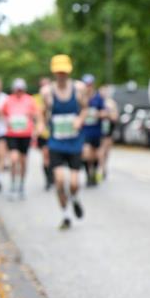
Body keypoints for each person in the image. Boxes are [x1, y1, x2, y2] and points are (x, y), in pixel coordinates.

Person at [40, 55, 88, 230]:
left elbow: (85, 108)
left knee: (74, 183)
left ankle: (74, 199)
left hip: (74, 141)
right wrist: (40, 125)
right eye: (59, 72)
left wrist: (80, 120)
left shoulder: (79, 89)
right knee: (59, 181)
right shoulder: (46, 92)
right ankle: (65, 215)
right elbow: (41, 112)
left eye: (64, 72)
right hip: (56, 143)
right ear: (54, 72)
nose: (62, 75)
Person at [2, 78, 40, 200]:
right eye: (17, 89)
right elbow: (2, 114)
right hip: (12, 134)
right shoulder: (8, 100)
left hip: (25, 134)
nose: (19, 92)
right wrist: (6, 121)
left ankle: (21, 186)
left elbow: (37, 115)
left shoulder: (30, 100)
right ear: (14, 89)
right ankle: (13, 186)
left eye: (21, 89)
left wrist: (35, 126)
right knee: (13, 159)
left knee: (23, 161)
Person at [80, 74, 105, 186]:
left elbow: (105, 112)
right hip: (85, 131)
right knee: (86, 153)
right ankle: (88, 174)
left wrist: (97, 114)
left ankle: (93, 172)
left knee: (95, 155)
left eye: (90, 84)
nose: (88, 87)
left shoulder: (98, 98)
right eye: (86, 84)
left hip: (96, 131)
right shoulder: (80, 98)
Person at [32, 77, 53, 190]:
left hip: (56, 132)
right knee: (45, 155)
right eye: (43, 85)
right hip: (43, 132)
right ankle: (48, 179)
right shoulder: (35, 99)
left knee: (52, 156)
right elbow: (34, 115)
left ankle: (53, 175)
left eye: (47, 85)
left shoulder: (57, 96)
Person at [98, 85, 119, 181]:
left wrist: (108, 114)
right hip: (99, 130)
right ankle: (101, 168)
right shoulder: (97, 102)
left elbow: (115, 117)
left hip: (109, 129)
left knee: (106, 151)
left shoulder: (111, 103)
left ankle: (104, 167)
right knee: (101, 150)